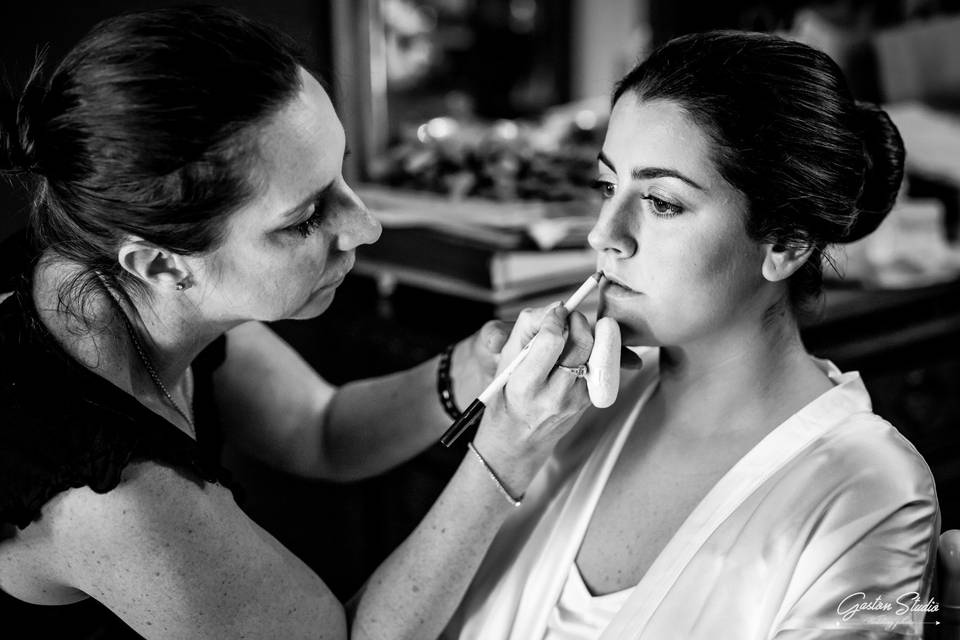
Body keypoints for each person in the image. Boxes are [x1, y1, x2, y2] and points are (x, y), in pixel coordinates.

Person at [0, 6, 598, 639]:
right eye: (306, 218)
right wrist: (507, 452)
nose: (366, 226)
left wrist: (475, 365)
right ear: (160, 264)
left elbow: (321, 430)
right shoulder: (114, 499)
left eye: (339, 172)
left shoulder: (103, 262)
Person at [442, 30, 940, 639]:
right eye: (607, 187)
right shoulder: (561, 413)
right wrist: (498, 452)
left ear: (784, 243)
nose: (604, 234)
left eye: (661, 202)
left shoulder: (869, 494)